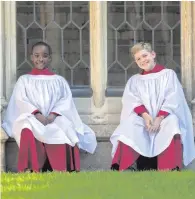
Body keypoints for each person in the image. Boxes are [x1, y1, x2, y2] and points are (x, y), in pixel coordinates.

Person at [2, 41, 97, 172]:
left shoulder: (59, 80)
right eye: (36, 55)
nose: (40, 59)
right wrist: (37, 114)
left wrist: (53, 115)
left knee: (66, 126)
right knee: (25, 127)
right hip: (33, 117)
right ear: (31, 57)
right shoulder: (24, 80)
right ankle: (31, 167)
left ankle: (62, 167)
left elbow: (65, 101)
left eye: (45, 55)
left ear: (50, 58)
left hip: (54, 117)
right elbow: (21, 100)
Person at [110, 42, 195, 171]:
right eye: (138, 59)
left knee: (172, 123)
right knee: (130, 124)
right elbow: (132, 100)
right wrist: (145, 116)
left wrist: (159, 118)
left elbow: (173, 97)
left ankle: (169, 167)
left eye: (145, 56)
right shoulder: (135, 80)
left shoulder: (168, 74)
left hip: (164, 117)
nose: (142, 60)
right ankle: (125, 166)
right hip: (145, 119)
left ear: (153, 54)